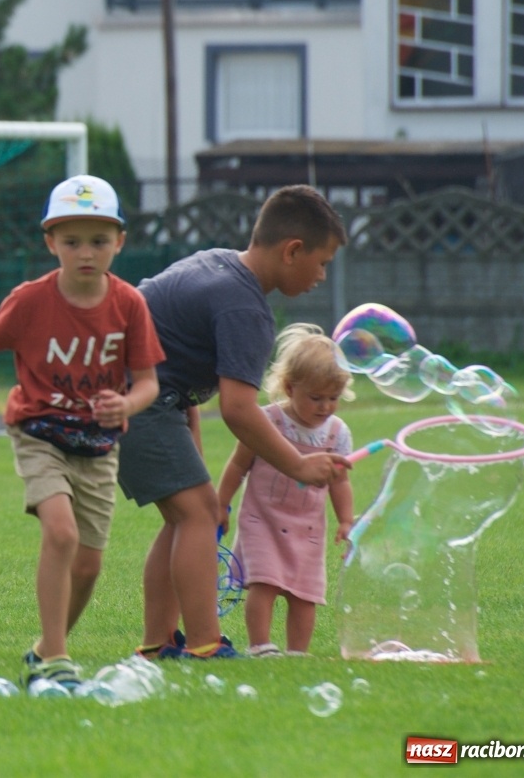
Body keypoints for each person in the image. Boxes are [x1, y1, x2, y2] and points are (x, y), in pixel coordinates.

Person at [0, 176, 164, 689]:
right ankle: (59, 658)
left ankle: (46, 647)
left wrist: (126, 403)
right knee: (61, 532)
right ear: (50, 243)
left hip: (98, 442)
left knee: (88, 565)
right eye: (71, 241)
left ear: (120, 242)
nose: (85, 253)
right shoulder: (30, 300)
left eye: (98, 241)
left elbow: (149, 382)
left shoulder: (130, 304)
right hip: (39, 431)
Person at [122, 184, 350, 660]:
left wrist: (194, 459)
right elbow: (239, 409)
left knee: (184, 517)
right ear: (292, 251)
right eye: (322, 262)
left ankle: (158, 642)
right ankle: (206, 644)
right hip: (137, 399)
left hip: (126, 393)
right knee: (199, 514)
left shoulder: (217, 262)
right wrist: (299, 466)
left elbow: (174, 361)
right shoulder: (246, 308)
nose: (323, 276)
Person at [216, 324, 356, 657]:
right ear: (290, 388)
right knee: (264, 582)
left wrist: (346, 520)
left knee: (305, 594)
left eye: (333, 398)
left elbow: (340, 481)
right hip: (261, 519)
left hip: (307, 527)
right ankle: (260, 645)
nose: (325, 407)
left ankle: (297, 652)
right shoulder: (266, 421)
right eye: (316, 398)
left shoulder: (337, 433)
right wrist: (220, 503)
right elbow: (237, 466)